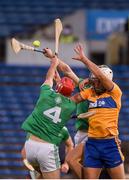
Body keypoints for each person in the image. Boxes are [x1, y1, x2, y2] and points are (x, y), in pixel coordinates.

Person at [21, 53, 94, 179]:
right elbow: (80, 95)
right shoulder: (70, 104)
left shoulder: (45, 93)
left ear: (57, 88)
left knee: (39, 176)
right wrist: (91, 82)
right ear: (70, 93)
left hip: (30, 146)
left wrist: (53, 64)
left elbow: (49, 77)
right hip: (46, 148)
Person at [71, 43, 125, 179]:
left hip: (110, 143)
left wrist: (84, 59)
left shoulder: (114, 93)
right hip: (92, 143)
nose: (94, 84)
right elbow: (74, 99)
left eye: (97, 81)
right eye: (93, 81)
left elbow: (100, 76)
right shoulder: (91, 92)